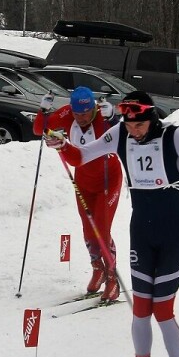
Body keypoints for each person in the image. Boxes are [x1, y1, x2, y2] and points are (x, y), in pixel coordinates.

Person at [44, 91, 179, 357]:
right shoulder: (120, 133)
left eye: (140, 125)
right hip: (141, 231)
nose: (134, 131)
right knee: (141, 309)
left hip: (173, 232)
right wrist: (62, 146)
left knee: (163, 309)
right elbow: (81, 156)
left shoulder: (175, 136)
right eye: (130, 125)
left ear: (152, 118)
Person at [33, 86, 123, 301]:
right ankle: (98, 268)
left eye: (86, 113)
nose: (81, 118)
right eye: (77, 114)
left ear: (94, 108)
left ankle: (112, 278)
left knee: (102, 228)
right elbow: (39, 129)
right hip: (83, 180)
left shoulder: (102, 116)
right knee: (88, 230)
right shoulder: (66, 114)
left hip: (108, 180)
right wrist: (43, 112)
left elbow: (124, 132)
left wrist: (113, 117)